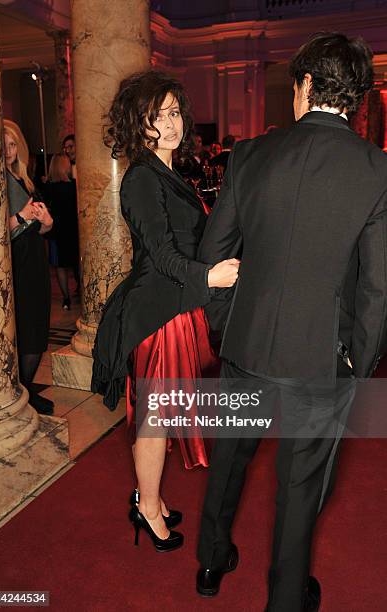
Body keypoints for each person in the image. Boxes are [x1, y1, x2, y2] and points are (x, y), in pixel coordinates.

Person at [195, 32, 387, 611]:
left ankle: (209, 561)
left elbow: (214, 255)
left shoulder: (251, 155)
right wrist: (358, 362)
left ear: (303, 86)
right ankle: (285, 599)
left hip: (245, 343)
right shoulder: (378, 170)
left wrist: (229, 326)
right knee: (300, 489)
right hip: (320, 356)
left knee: (229, 458)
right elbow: (378, 287)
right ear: (355, 98)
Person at [91, 70, 239, 553]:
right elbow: (161, 255)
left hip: (176, 309)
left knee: (162, 414)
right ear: (139, 124)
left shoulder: (168, 171)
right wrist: (209, 277)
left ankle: (147, 496)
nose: (169, 125)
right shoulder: (140, 177)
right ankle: (148, 508)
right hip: (157, 316)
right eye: (156, 117)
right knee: (155, 419)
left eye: (173, 113)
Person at [4, 120, 54, 416]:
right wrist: (23, 216)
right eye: (2, 144)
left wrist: (46, 223)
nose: (8, 150)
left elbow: (41, 227)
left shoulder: (23, 178)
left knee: (37, 325)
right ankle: (21, 392)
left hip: (35, 258)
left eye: (12, 144)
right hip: (16, 263)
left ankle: (25, 388)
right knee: (27, 328)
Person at [44, 154, 80, 310]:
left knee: (60, 266)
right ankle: (85, 295)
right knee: (77, 264)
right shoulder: (74, 186)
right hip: (73, 231)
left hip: (56, 232)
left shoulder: (48, 188)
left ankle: (66, 299)